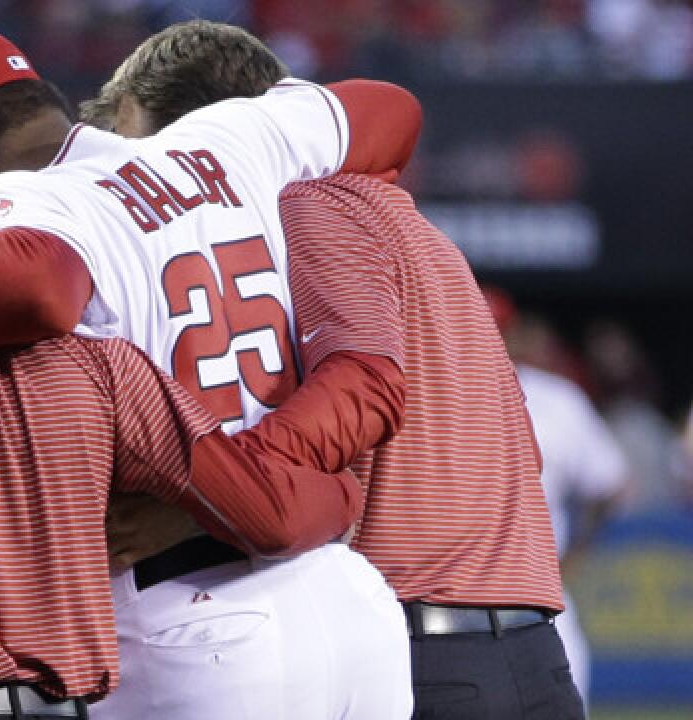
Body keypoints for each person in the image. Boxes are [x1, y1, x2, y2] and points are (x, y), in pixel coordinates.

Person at [0, 26, 417, 719]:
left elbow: (37, 284)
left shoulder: (3, 209)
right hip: (344, 597)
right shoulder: (219, 137)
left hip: (185, 625)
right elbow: (393, 111)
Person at [76, 24, 581, 719]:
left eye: (139, 149)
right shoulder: (420, 233)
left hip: (423, 655)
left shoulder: (307, 203)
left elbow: (363, 392)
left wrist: (200, 507)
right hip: (528, 654)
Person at [489, 291, 628, 707]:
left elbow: (611, 484)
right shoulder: (423, 392)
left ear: (512, 335)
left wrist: (576, 554)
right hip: (449, 601)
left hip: (541, 594)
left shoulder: (556, 399)